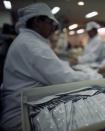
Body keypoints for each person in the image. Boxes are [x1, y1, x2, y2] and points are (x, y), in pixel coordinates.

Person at [0, 3, 92, 131]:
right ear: (37, 21)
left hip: (27, 107)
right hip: (21, 118)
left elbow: (52, 67)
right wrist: (96, 77)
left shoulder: (28, 41)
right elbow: (66, 78)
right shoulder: (32, 45)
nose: (53, 28)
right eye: (50, 23)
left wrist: (69, 66)